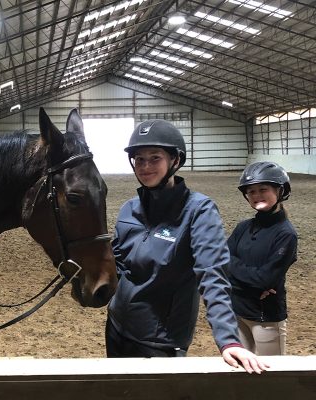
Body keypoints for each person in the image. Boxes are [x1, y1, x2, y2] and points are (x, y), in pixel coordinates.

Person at [106, 119, 268, 374]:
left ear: (175, 161)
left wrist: (228, 340)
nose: (145, 166)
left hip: (160, 340)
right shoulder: (128, 209)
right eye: (139, 159)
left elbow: (213, 273)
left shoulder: (199, 211)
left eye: (155, 158)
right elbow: (116, 262)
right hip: (117, 326)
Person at [227, 162, 297, 355]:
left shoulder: (286, 235)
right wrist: (253, 283)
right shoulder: (243, 227)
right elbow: (221, 260)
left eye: (263, 189)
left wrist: (236, 273)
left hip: (266, 317)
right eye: (251, 191)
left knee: (271, 376)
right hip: (237, 312)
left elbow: (265, 279)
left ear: (280, 190)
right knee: (239, 371)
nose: (256, 195)